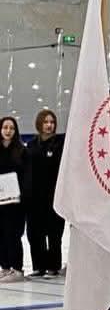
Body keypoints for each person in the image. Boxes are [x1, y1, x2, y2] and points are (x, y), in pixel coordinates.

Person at [26, 109, 65, 277]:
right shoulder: (32, 145)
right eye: (46, 122)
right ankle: (38, 266)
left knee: (54, 233)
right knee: (35, 233)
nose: (49, 125)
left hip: (54, 196)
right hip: (35, 197)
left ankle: (53, 266)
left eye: (52, 122)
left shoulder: (60, 144)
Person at [0, 117, 28, 282]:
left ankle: (17, 269)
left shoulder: (22, 151)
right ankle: (5, 267)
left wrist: (22, 194)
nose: (8, 131)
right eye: (5, 127)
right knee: (1, 235)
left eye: (11, 128)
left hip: (15, 202)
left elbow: (27, 175)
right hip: (0, 201)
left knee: (13, 235)